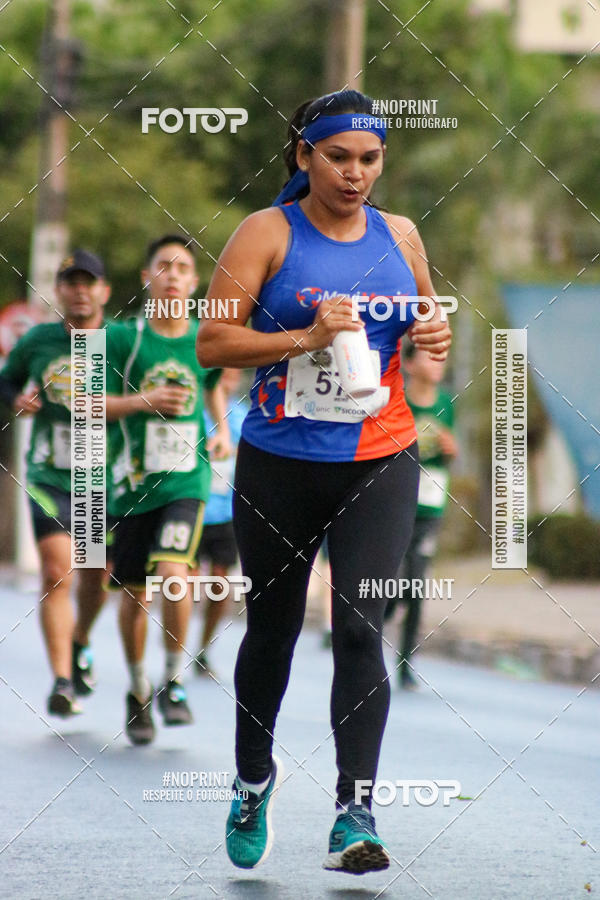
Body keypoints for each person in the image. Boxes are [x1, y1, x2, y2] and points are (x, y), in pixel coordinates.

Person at [197, 90, 452, 875]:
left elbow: (423, 335)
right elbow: (212, 342)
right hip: (280, 461)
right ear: (304, 155)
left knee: (360, 628)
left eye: (369, 159)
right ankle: (252, 779)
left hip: (380, 456)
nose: (355, 173)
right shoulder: (266, 233)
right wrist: (305, 336)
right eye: (338, 157)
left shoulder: (400, 235)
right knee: (271, 631)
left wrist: (434, 333)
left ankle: (355, 813)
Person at [105, 234, 230, 746]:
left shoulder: (205, 338)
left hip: (187, 480)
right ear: (147, 277)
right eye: (163, 266)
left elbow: (213, 385)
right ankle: (138, 688)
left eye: (182, 268)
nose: (172, 275)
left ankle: (173, 680)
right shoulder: (122, 338)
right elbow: (86, 404)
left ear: (194, 282)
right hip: (132, 486)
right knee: (135, 593)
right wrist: (143, 402)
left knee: (176, 573)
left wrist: (220, 429)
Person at [0, 250, 112, 717]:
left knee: (97, 575)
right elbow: (5, 382)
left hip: (103, 477)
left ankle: (80, 638)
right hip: (49, 474)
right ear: (60, 291)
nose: (80, 291)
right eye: (71, 283)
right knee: (55, 572)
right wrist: (16, 399)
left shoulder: (119, 341)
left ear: (104, 291)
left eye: (88, 282)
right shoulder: (39, 340)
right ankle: (63, 681)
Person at [386, 343, 457, 689]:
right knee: (393, 577)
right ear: (410, 364)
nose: (438, 362)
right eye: (430, 356)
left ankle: (405, 663)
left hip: (430, 506)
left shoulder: (446, 404)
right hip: (397, 503)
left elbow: (448, 454)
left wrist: (450, 450)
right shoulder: (397, 400)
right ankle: (383, 610)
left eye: (441, 357)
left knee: (416, 584)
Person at [194, 368, 247, 679]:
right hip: (194, 506)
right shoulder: (194, 412)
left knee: (219, 584)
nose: (229, 377)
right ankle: (175, 647)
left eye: (234, 372)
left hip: (227, 512)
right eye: (223, 372)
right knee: (182, 583)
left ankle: (203, 649)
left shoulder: (241, 416)